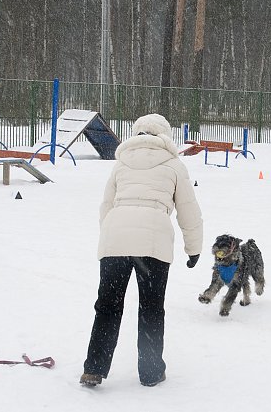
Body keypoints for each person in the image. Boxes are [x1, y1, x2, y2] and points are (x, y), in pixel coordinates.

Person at [80, 113, 203, 387]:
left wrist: (111, 237)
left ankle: (94, 368)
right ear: (165, 135)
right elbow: (188, 210)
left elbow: (106, 205)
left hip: (116, 240)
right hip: (153, 243)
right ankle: (150, 372)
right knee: (151, 308)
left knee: (107, 306)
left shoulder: (121, 162)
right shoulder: (173, 163)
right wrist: (194, 248)